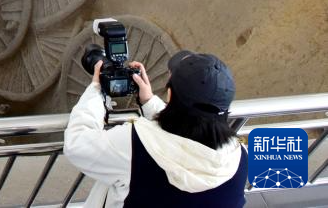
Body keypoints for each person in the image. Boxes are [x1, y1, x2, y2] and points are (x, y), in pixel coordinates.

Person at [63, 50, 248, 207]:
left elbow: (77, 144)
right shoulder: (240, 157)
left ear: (170, 94)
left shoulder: (134, 145)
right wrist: (149, 101)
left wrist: (96, 90)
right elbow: (186, 136)